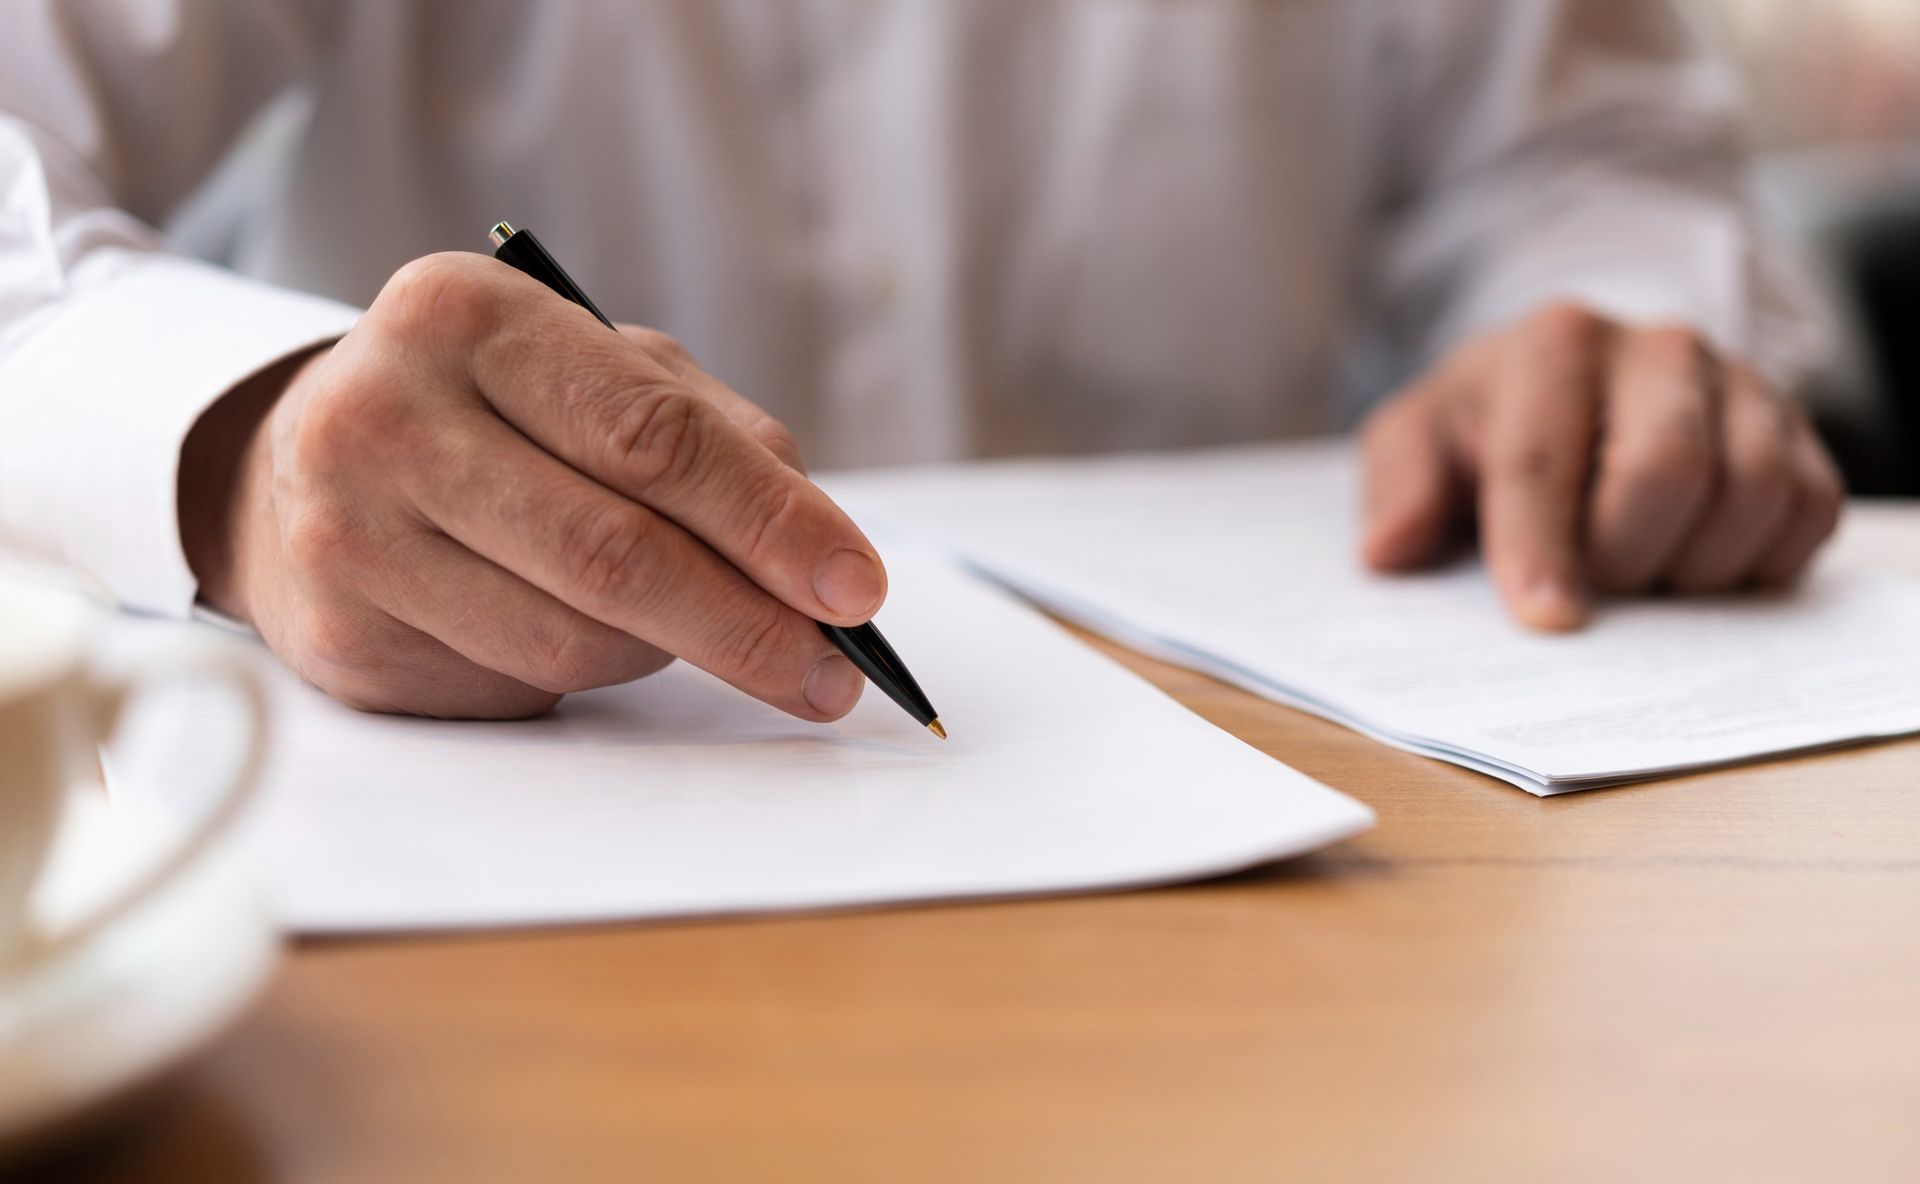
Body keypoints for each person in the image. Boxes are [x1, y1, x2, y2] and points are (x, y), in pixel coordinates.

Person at [0, 1, 1844, 721]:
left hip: (1303, 872)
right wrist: (242, 445)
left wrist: (1607, 326)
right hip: (491, 841)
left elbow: (1590, 159)